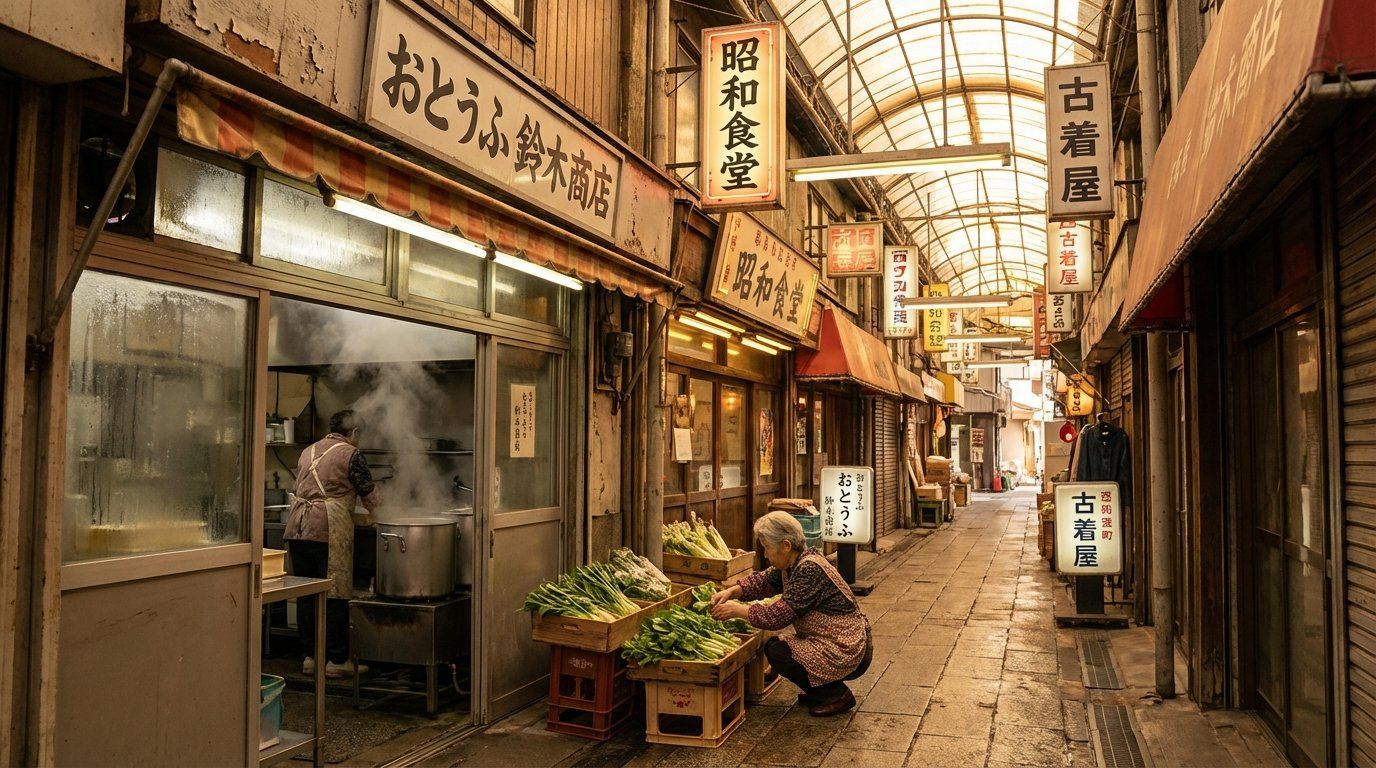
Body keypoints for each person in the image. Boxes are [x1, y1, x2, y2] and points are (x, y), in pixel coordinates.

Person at [709, 512, 873, 717]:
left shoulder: (809, 569)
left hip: (846, 646)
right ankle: (820, 691)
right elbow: (763, 581)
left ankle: (836, 695)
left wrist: (736, 610)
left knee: (780, 652)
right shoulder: (794, 563)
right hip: (831, 639)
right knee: (777, 646)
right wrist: (732, 591)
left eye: (767, 548)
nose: (765, 555)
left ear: (786, 545)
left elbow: (776, 617)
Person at [284, 409, 381, 678]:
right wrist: (384, 514)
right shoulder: (351, 453)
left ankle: (310, 657)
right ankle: (337, 660)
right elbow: (368, 494)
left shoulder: (308, 451)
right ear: (355, 432)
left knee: (307, 594)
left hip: (298, 528)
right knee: (335, 593)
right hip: (327, 528)